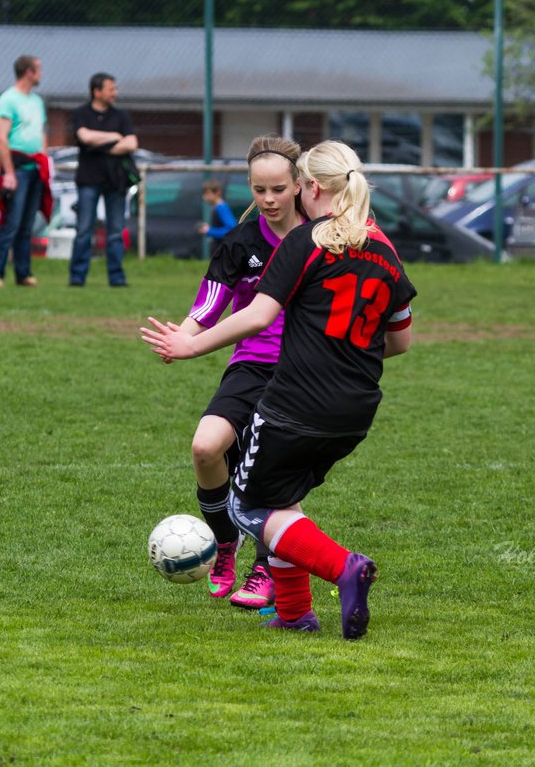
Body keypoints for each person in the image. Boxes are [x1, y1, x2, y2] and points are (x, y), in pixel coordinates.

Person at [142, 140, 416, 640]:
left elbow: (260, 314)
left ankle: (342, 567)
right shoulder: (384, 248)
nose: (270, 198)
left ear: (307, 187)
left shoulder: (307, 240)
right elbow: (399, 341)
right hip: (358, 406)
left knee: (250, 505)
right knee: (282, 498)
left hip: (297, 397)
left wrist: (193, 346)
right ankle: (294, 613)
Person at [176, 135, 305, 610]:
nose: (268, 200)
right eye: (259, 190)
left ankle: (263, 570)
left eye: (277, 189)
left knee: (270, 473)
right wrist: (183, 336)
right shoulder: (240, 243)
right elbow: (209, 302)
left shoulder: (318, 235)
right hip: (250, 364)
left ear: (297, 186)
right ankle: (224, 542)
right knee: (206, 448)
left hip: (300, 372)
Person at [69, 72, 137, 288]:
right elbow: (84, 137)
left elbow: (131, 143)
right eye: (111, 89)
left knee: (115, 231)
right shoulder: (81, 113)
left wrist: (99, 143)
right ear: (97, 91)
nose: (114, 93)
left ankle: (116, 277)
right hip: (88, 180)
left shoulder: (121, 116)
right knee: (84, 230)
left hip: (115, 181)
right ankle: (77, 276)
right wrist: (114, 137)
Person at [0, 54, 48, 288]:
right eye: (38, 69)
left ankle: (23, 273)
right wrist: (9, 173)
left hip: (36, 169)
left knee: (27, 223)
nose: (41, 74)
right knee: (10, 222)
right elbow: (1, 139)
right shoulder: (7, 100)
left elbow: (40, 133)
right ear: (28, 72)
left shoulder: (37, 101)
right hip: (17, 168)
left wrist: (44, 161)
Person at [196, 179, 237, 244]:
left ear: (218, 192)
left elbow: (231, 230)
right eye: (204, 194)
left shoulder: (221, 208)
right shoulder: (216, 207)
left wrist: (209, 231)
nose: (204, 197)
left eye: (207, 193)